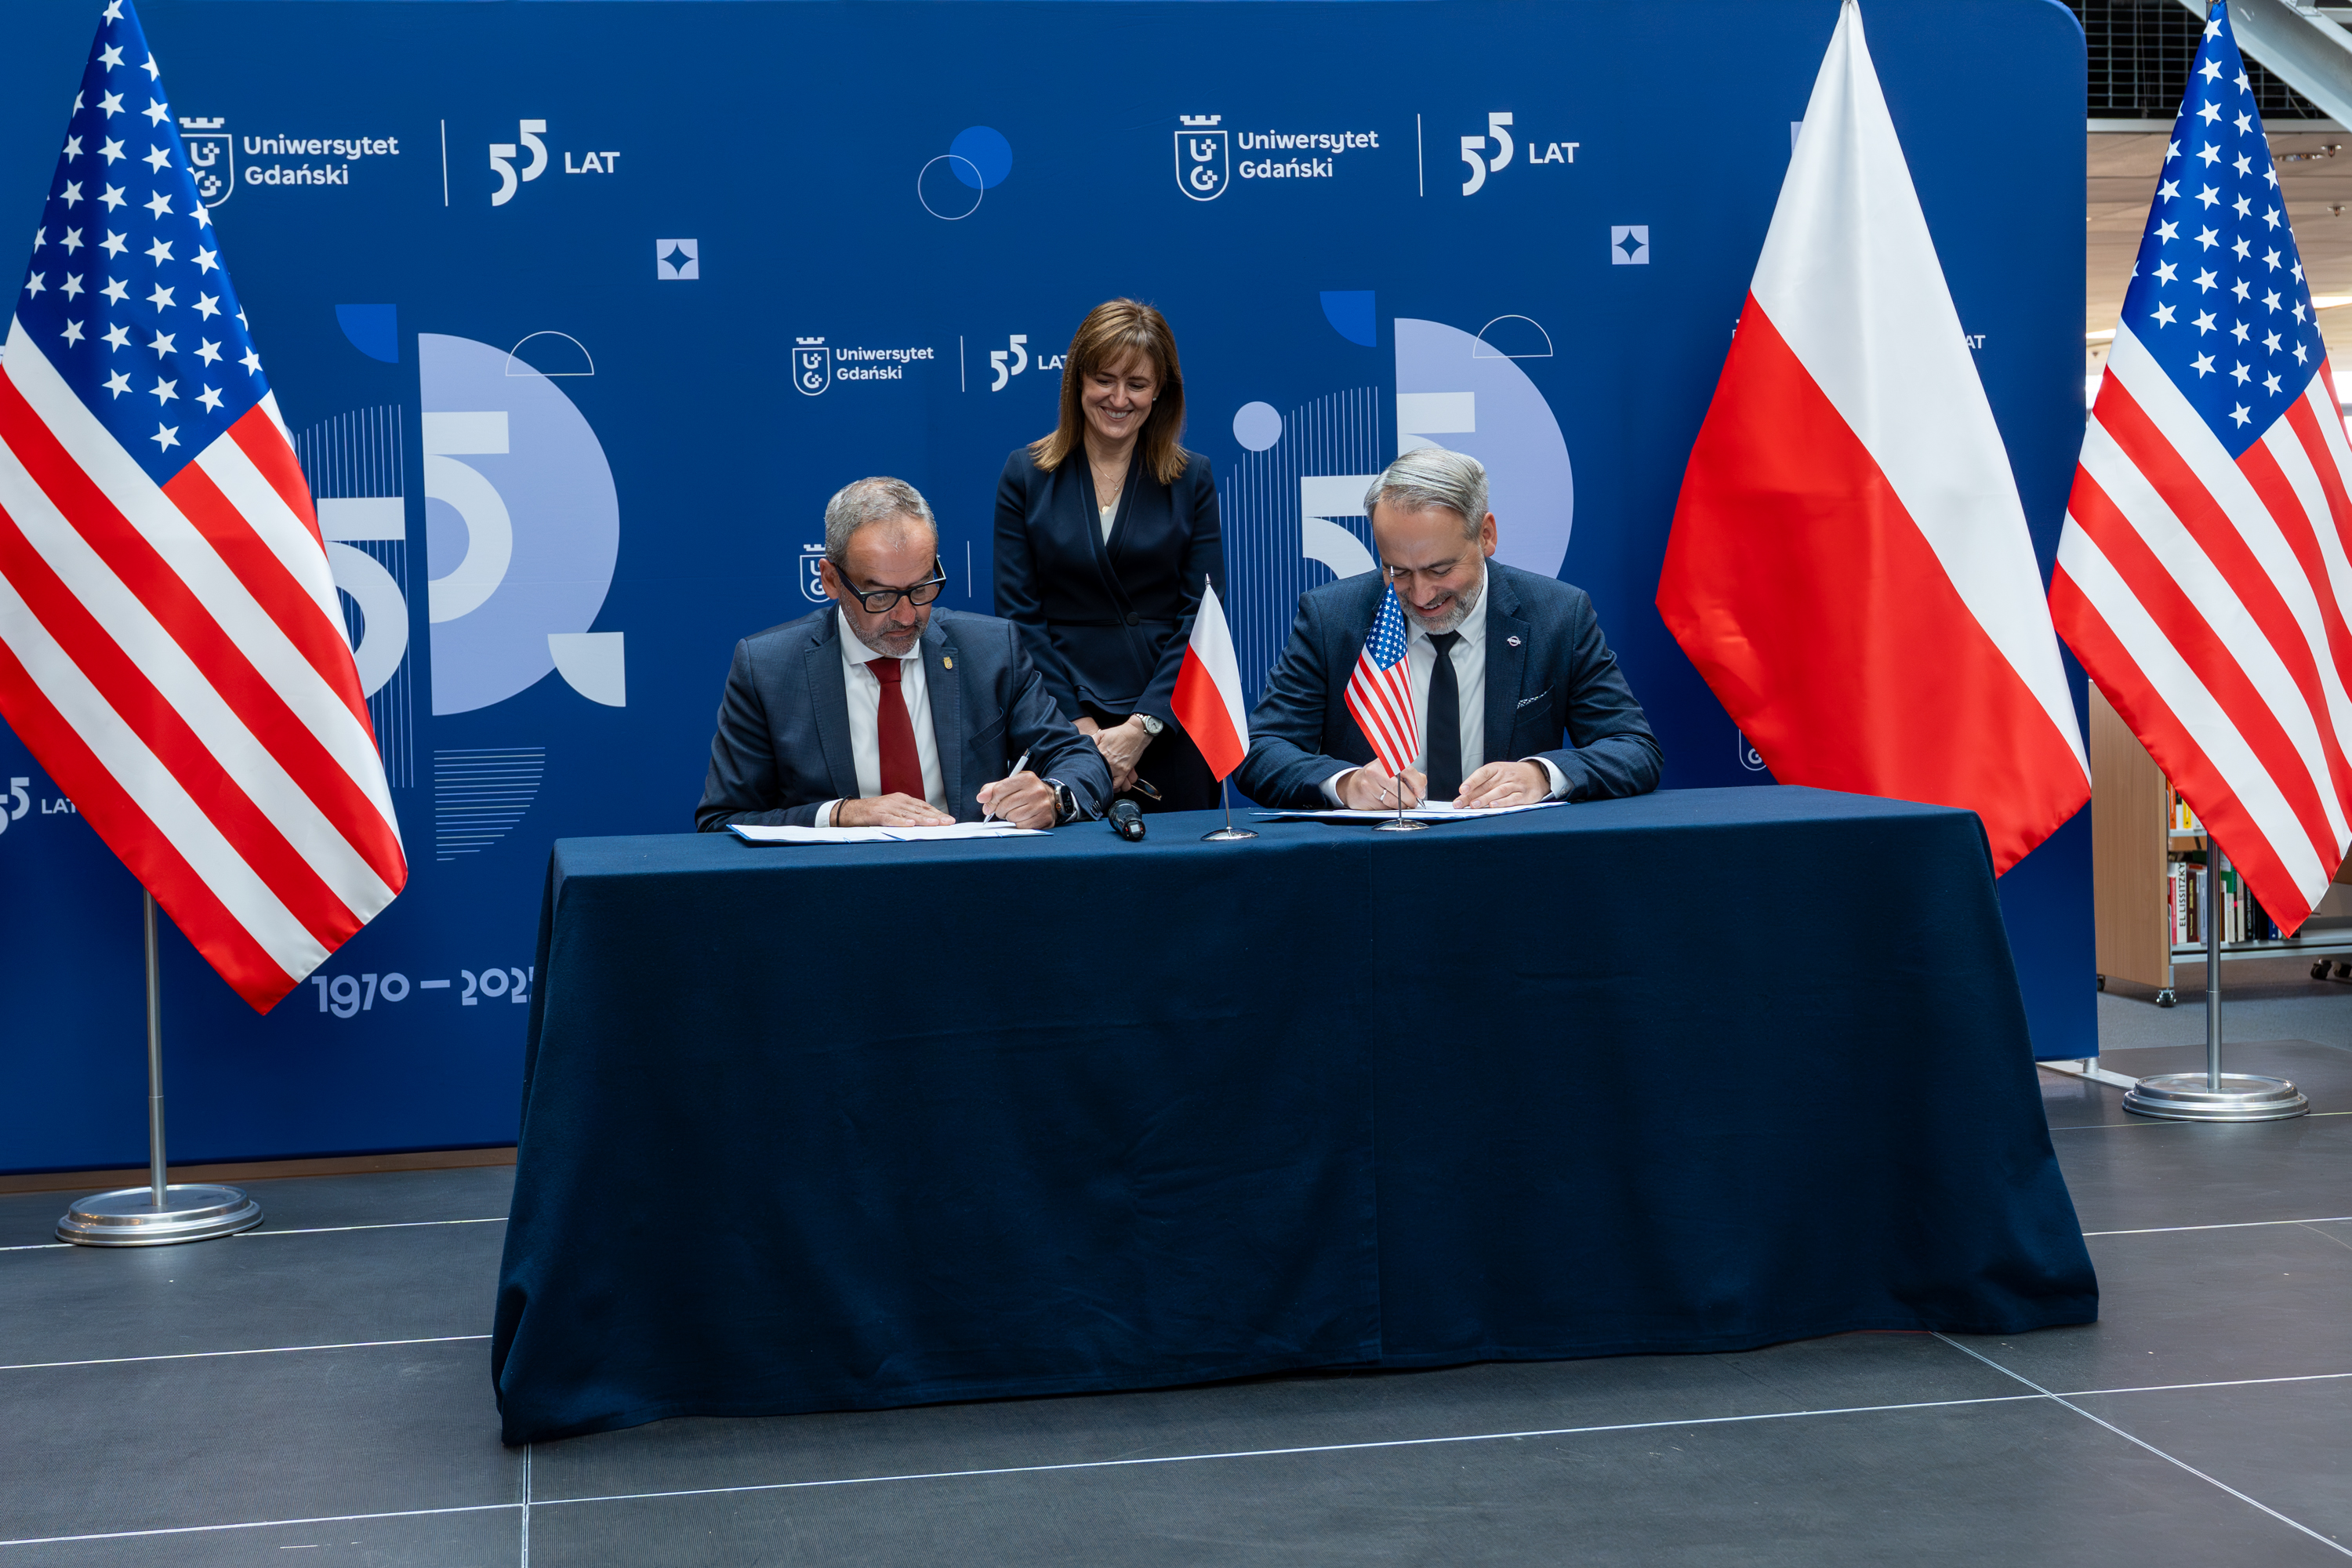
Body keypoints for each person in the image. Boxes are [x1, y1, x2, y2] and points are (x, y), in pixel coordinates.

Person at [1237, 448, 1661, 811]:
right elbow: (1261, 750)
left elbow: (1634, 748)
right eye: (1397, 572)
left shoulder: (1558, 614)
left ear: (1486, 536)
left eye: (1440, 570)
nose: (1421, 595)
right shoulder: (1331, 618)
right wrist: (1346, 784)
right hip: (1375, 860)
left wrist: (1542, 775)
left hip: (1513, 858)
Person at [697, 477, 1110, 832]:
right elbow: (723, 819)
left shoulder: (991, 649)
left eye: (922, 588)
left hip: (972, 878)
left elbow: (1078, 757)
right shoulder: (767, 669)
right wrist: (842, 814)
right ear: (831, 580)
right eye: (880, 596)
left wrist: (1053, 796)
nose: (907, 616)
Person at [995, 299, 1225, 812]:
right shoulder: (1026, 475)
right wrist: (1082, 733)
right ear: (1077, 380)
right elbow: (1019, 619)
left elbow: (1202, 616)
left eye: (1137, 384)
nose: (1119, 399)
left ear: (1160, 391)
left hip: (1169, 725)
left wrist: (1142, 727)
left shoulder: (1192, 478)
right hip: (1059, 725)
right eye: (1104, 380)